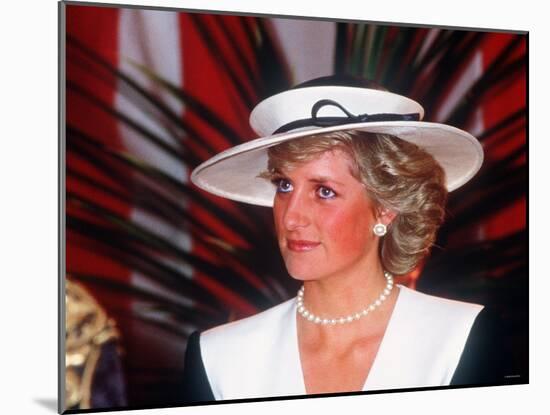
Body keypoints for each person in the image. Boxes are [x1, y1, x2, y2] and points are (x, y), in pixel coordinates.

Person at [182, 76, 509, 403]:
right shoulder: (219, 358)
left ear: (385, 209)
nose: (291, 217)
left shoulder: (460, 339)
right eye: (284, 186)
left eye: (324, 191)